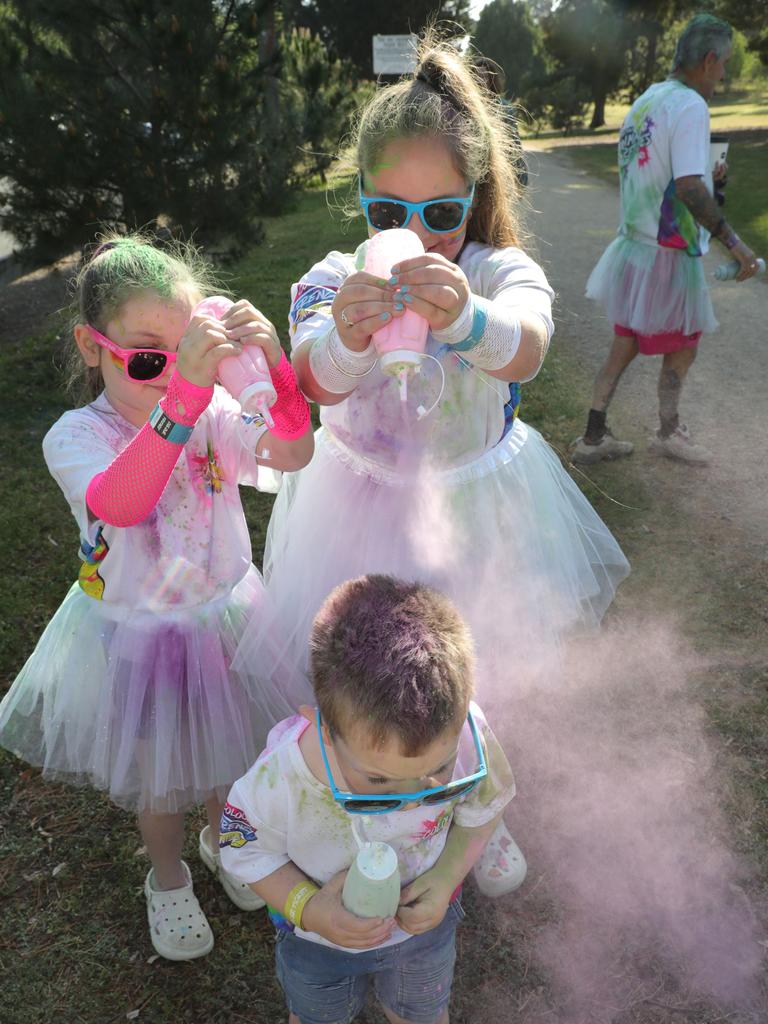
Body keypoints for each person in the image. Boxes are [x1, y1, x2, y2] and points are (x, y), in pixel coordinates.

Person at [233, 32, 629, 898]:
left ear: (473, 199)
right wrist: (346, 334)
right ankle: (323, 803)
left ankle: (472, 811)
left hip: (478, 508)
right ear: (362, 203)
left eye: (442, 214)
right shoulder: (330, 277)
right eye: (388, 215)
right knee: (348, 666)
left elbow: (526, 350)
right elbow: (310, 381)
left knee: (478, 664)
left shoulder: (499, 268)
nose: (416, 237)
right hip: (357, 505)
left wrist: (463, 320)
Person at [0, 235, 313, 960]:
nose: (171, 376)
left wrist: (275, 378)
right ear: (91, 346)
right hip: (141, 632)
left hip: (225, 615)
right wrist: (185, 399)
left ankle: (221, 840)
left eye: (185, 353)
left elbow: (293, 453)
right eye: (147, 358)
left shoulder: (211, 415)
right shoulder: (76, 436)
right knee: (161, 778)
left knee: (230, 752)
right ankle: (167, 877)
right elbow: (123, 503)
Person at [221, 574, 516, 1024]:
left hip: (423, 933)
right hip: (317, 945)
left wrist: (448, 875)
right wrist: (309, 908)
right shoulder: (281, 778)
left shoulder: (468, 737)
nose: (415, 802)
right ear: (323, 731)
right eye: (379, 781)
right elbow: (246, 848)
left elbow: (484, 807)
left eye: (437, 773)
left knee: (422, 1013)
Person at [572, 13, 760, 467]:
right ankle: (669, 431)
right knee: (683, 344)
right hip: (668, 251)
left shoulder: (647, 99)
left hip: (633, 246)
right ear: (709, 59)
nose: (724, 74)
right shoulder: (691, 105)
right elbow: (689, 187)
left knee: (626, 341)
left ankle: (594, 435)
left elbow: (662, 175)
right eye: (724, 64)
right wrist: (737, 245)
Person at [473, 54, 529, 189]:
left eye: (485, 76)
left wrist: (520, 176)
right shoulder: (466, 105)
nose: (481, 80)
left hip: (497, 169)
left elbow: (513, 145)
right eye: (477, 76)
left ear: (491, 79)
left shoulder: (505, 108)